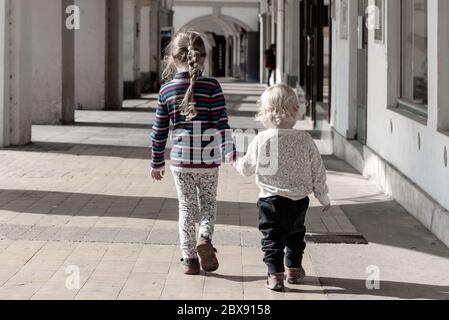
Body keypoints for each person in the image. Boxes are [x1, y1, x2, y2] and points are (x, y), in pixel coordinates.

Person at [150, 31, 236, 275]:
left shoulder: (166, 90)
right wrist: (230, 152)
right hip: (208, 161)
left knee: (186, 208)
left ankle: (189, 259)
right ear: (203, 58)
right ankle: (205, 239)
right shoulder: (212, 87)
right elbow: (222, 123)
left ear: (172, 58)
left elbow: (159, 131)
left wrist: (157, 162)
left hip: (181, 162)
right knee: (208, 205)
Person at [233, 84, 331, 291]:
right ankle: (294, 270)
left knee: (272, 238)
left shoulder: (262, 139)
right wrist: (322, 196)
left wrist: (236, 164)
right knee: (296, 235)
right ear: (295, 111)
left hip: (271, 200)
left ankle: (275, 275)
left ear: (266, 113)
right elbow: (317, 169)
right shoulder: (305, 139)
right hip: (299, 201)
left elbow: (248, 167)